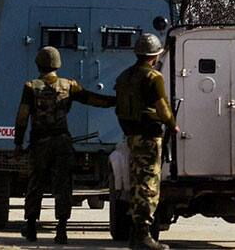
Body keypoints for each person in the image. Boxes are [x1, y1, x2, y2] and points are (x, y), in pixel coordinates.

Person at [15, 46, 116, 244]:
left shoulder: (30, 87)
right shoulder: (68, 85)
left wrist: (18, 143)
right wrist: (114, 101)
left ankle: (31, 226)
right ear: (58, 64)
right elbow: (91, 99)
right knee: (63, 186)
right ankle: (61, 230)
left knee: (35, 184)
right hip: (62, 142)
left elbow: (22, 117)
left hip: (39, 143)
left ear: (38, 64)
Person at [115, 33, 178, 250]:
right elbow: (161, 106)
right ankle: (143, 236)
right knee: (149, 185)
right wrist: (172, 124)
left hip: (131, 136)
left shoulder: (124, 76)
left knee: (136, 184)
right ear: (155, 55)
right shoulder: (153, 77)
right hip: (149, 137)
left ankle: (136, 234)